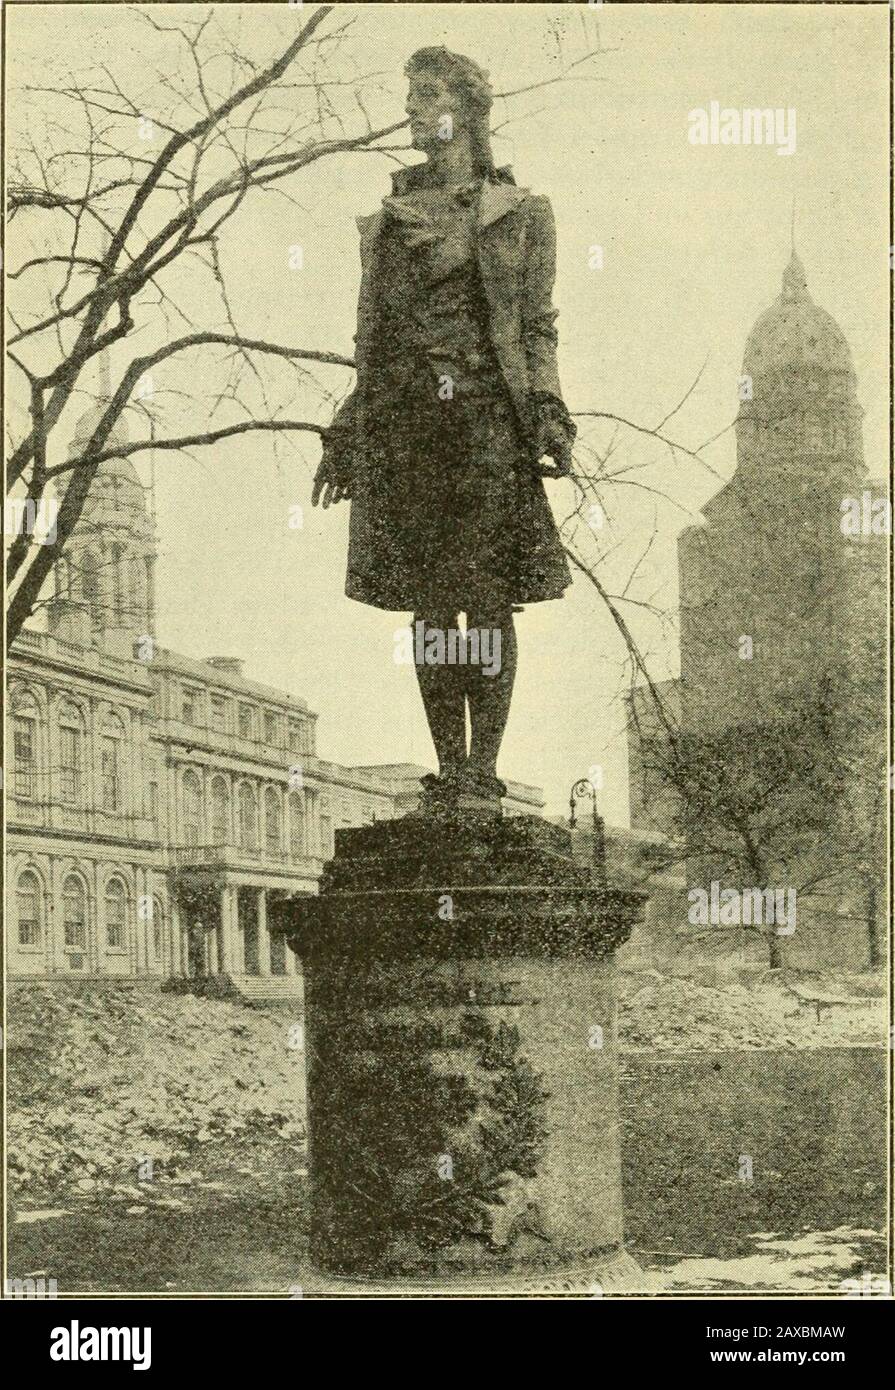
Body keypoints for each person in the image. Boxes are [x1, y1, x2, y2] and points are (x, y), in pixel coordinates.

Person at [312, 46, 574, 809]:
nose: (413, 112)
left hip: (492, 425)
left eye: (427, 96)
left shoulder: (524, 212)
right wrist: (347, 431)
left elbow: (536, 325)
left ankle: (482, 774)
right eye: (411, 98)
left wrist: (550, 410)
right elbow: (373, 342)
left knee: (488, 599)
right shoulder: (389, 220)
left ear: (468, 108)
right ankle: (446, 767)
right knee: (431, 605)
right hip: (413, 430)